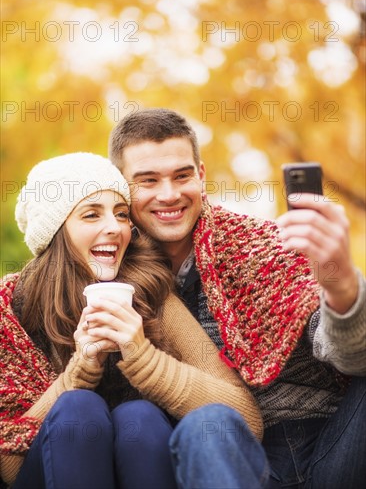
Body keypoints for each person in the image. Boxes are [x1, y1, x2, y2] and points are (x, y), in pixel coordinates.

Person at [109, 108, 366, 489]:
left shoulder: (266, 246)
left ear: (201, 175)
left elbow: (350, 356)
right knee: (207, 424)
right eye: (148, 181)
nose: (169, 194)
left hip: (333, 446)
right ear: (122, 188)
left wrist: (342, 284)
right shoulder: (113, 278)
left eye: (182, 175)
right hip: (222, 459)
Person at [0, 152, 264, 489]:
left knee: (137, 416)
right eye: (92, 214)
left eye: (121, 214)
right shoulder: (12, 310)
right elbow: (8, 467)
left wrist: (144, 356)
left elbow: (246, 420)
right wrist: (77, 375)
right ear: (55, 233)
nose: (114, 227)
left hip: (143, 460)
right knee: (79, 409)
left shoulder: (149, 292)